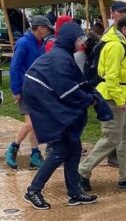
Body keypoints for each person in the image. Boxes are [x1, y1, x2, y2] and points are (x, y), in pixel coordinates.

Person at [21, 22, 105, 210]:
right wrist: (88, 99)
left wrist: (88, 95)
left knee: (74, 147)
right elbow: (68, 90)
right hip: (43, 101)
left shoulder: (64, 55)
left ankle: (74, 193)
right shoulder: (60, 58)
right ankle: (33, 191)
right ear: (69, 39)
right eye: (79, 39)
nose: (82, 43)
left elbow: (74, 84)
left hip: (47, 98)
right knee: (60, 149)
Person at [78, 15, 126, 192]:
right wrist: (119, 100)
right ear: (124, 29)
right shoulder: (116, 46)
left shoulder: (124, 45)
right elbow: (111, 76)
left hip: (124, 97)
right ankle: (82, 171)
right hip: (113, 98)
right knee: (111, 138)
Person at [5, 15, 52, 170]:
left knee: (36, 123)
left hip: (37, 88)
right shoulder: (23, 43)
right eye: (47, 28)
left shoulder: (40, 43)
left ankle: (35, 154)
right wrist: (16, 90)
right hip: (25, 89)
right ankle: (12, 148)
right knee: (31, 124)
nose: (48, 31)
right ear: (40, 28)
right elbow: (14, 67)